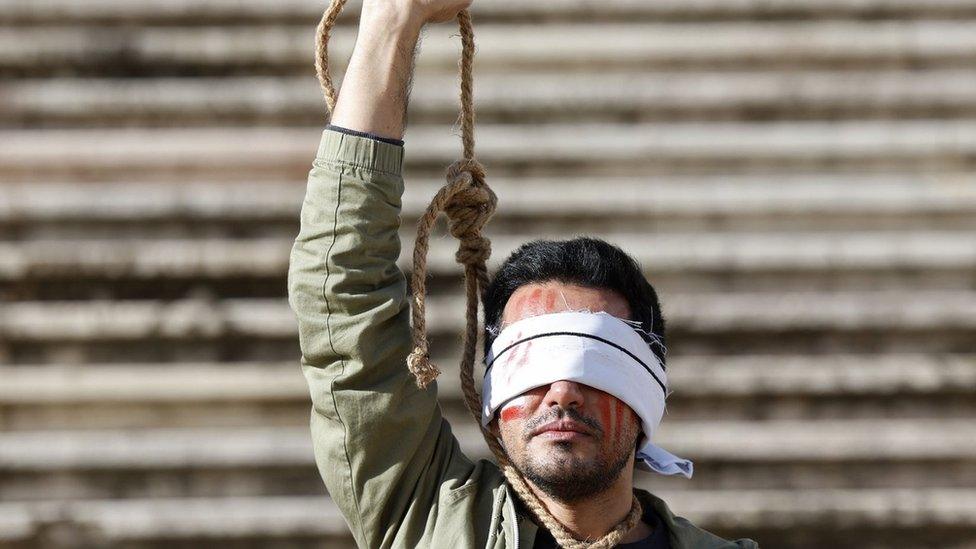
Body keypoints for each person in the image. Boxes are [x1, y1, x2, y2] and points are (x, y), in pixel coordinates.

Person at [288, 0, 759, 547]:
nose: (561, 393)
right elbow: (343, 295)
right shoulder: (429, 520)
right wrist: (392, 20)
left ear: (647, 395)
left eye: (596, 364)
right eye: (531, 363)